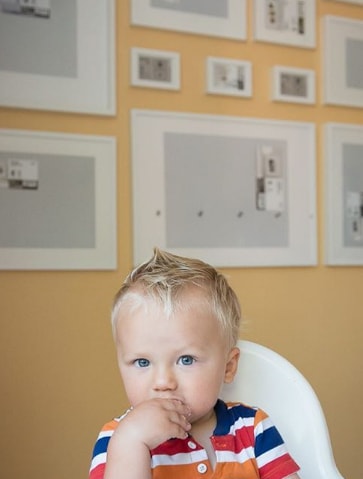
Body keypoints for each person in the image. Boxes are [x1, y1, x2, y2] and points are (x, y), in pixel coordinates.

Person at [89, 248, 300, 479]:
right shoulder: (118, 438)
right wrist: (132, 443)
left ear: (228, 367)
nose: (163, 382)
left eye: (185, 360)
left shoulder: (252, 429)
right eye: (142, 362)